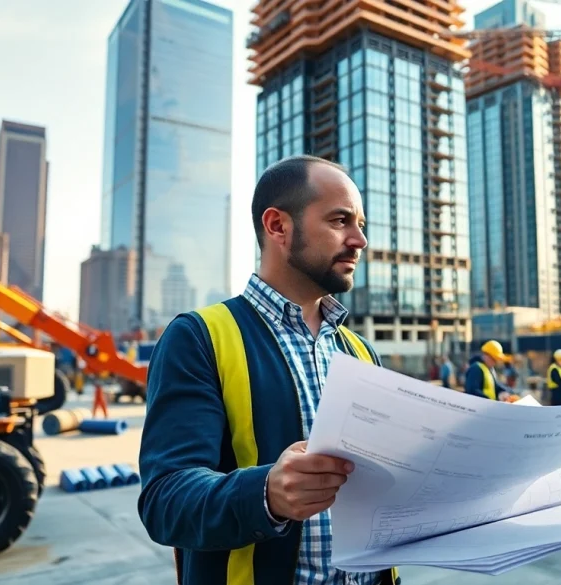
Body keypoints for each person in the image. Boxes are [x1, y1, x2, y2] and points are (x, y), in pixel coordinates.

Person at [137, 155, 399, 585]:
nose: (359, 240)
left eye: (361, 225)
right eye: (340, 221)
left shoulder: (361, 353)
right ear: (278, 226)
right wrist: (266, 495)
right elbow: (165, 501)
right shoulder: (200, 338)